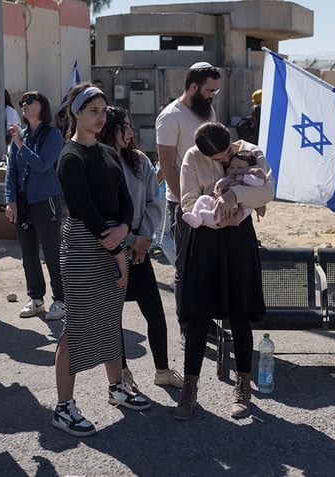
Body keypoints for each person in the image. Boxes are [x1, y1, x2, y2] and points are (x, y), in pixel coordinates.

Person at [53, 84, 150, 437]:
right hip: (83, 245)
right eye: (93, 110)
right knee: (76, 327)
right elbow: (84, 208)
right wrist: (117, 251)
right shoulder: (70, 156)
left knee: (111, 319)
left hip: (113, 239)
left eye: (103, 110)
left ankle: (117, 388)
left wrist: (124, 229)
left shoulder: (108, 152)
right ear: (77, 113)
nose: (100, 116)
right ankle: (64, 406)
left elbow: (124, 199)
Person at [174, 122, 274, 421]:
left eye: (227, 152)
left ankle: (243, 386)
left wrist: (236, 195)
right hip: (205, 239)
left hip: (238, 241)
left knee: (240, 315)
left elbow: (267, 191)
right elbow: (188, 202)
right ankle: (189, 389)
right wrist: (219, 220)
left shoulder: (250, 151)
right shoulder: (192, 158)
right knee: (198, 318)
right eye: (217, 158)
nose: (225, 160)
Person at [97, 106, 183, 390]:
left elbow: (153, 202)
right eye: (124, 126)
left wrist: (144, 240)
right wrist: (130, 240)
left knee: (155, 313)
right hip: (111, 251)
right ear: (110, 129)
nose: (131, 132)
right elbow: (101, 214)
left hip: (140, 251)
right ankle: (121, 374)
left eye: (130, 125)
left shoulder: (141, 161)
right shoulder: (98, 162)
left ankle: (162, 370)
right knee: (112, 319)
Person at [155, 62, 221, 340]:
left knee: (209, 266)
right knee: (186, 267)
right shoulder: (170, 117)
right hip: (183, 205)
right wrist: (185, 203)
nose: (213, 95)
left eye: (216, 90)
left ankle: (207, 322)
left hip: (210, 203)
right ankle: (187, 325)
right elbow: (167, 164)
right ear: (193, 86)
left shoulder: (209, 112)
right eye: (209, 90)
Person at [4, 91, 66, 321]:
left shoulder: (53, 135)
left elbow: (42, 165)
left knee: (51, 251)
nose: (24, 105)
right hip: (23, 203)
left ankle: (61, 300)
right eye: (22, 103)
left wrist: (20, 145)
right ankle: (36, 298)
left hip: (46, 200)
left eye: (30, 102)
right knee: (28, 253)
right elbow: (11, 172)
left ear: (43, 106)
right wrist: (10, 201)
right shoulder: (20, 136)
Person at [182, 151, 266, 228]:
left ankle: (214, 217)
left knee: (229, 206)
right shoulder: (229, 178)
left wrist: (243, 177)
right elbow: (220, 184)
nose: (235, 170)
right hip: (218, 199)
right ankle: (196, 218)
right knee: (203, 198)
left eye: (240, 167)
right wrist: (219, 187)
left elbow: (259, 182)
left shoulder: (250, 177)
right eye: (232, 167)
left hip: (238, 205)